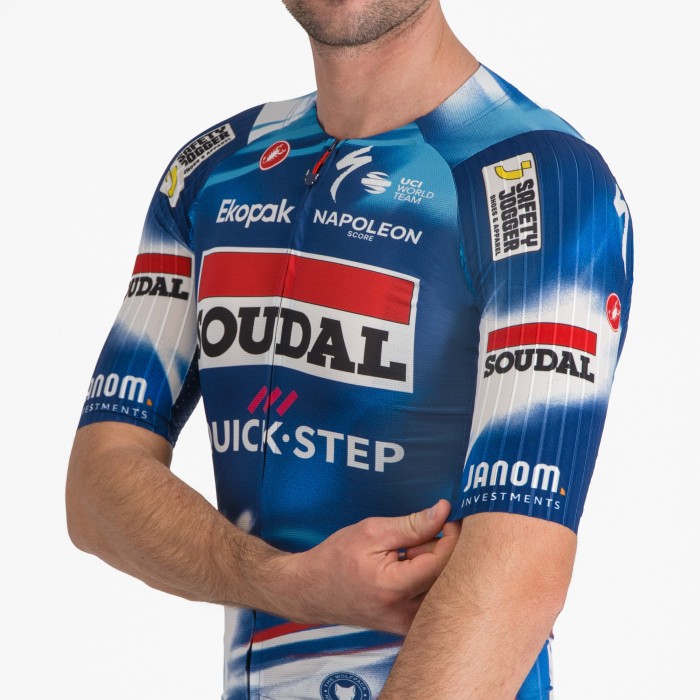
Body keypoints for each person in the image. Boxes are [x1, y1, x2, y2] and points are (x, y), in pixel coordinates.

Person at [66, 1, 633, 697]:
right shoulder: (213, 169)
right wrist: (284, 582)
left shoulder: (540, 178)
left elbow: (521, 569)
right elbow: (96, 489)